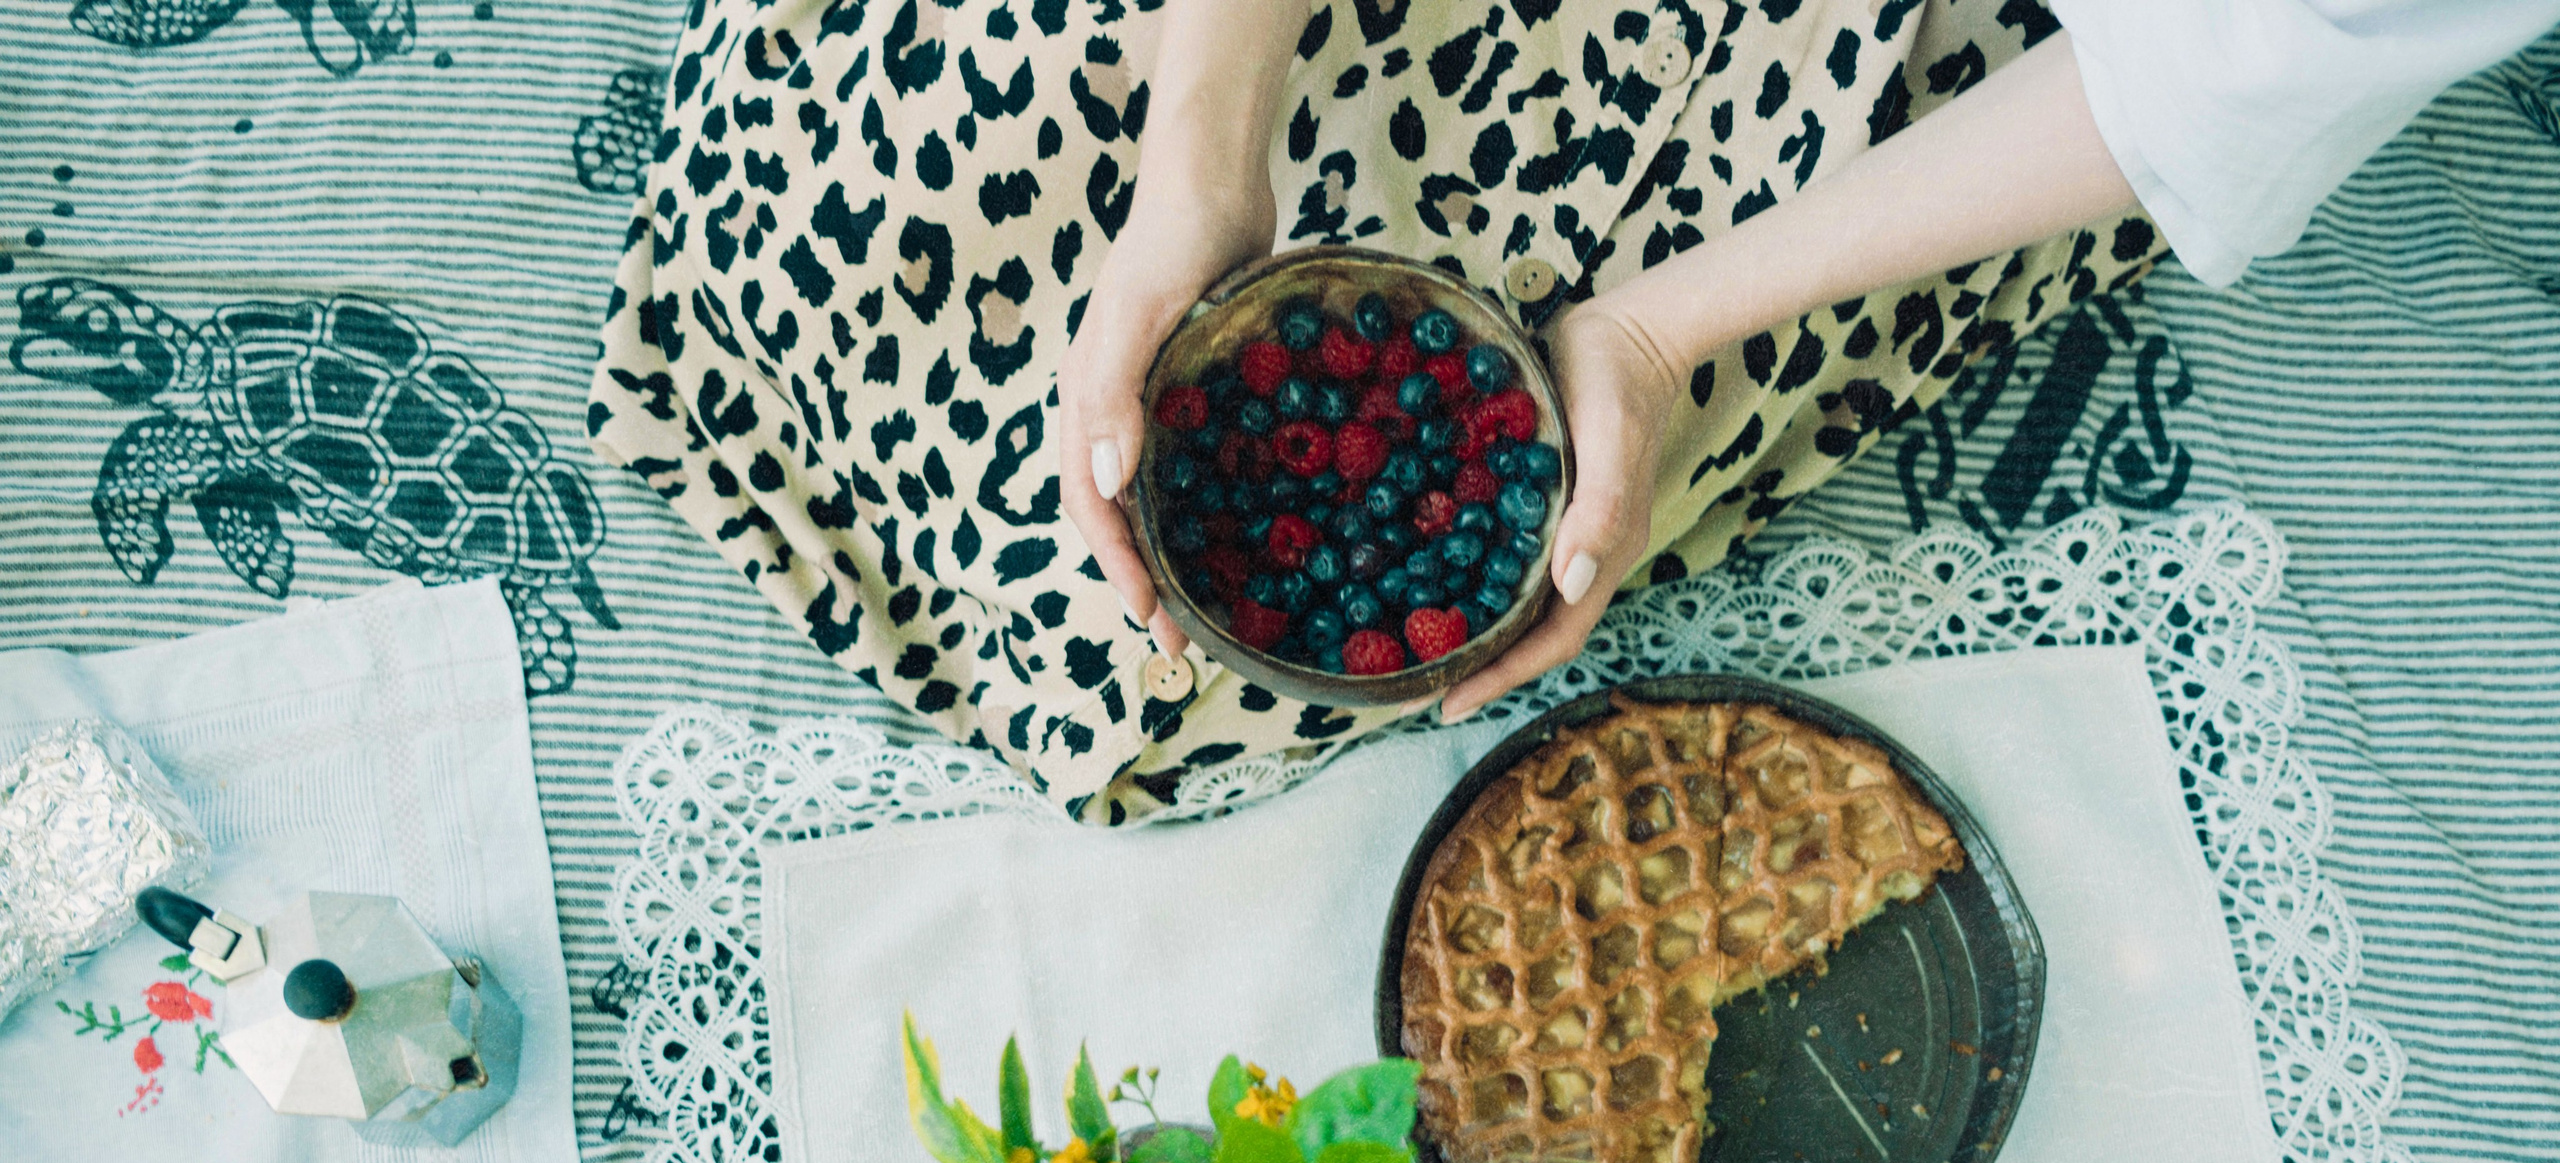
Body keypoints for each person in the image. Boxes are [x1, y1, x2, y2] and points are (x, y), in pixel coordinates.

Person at [588, 0, 2559, 824]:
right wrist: (1202, 145)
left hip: (1930, 76)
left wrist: (1657, 337)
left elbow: (2217, 66)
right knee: (912, 233)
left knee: (1245, 673)